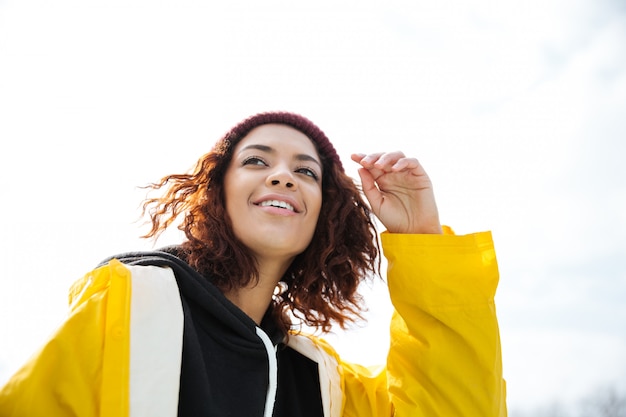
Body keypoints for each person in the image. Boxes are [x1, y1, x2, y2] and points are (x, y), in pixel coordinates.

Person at [0, 111, 507, 416]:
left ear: (324, 216)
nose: (283, 177)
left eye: (305, 171)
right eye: (257, 161)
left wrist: (420, 236)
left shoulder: (324, 382)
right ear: (217, 194)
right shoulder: (131, 300)